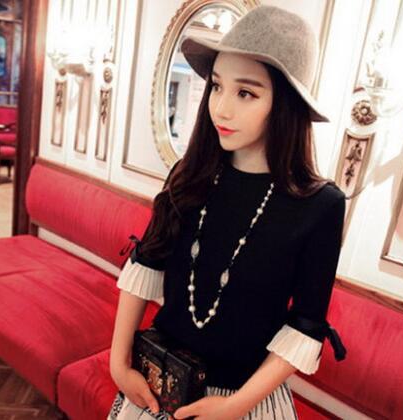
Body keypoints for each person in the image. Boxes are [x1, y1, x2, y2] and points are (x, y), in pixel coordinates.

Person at [108, 5, 347, 420]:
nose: (220, 108)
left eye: (246, 93)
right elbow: (147, 260)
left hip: (242, 402)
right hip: (159, 384)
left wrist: (234, 407)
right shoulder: (189, 175)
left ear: (285, 103)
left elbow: (305, 325)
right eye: (217, 86)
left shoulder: (320, 205)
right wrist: (119, 362)